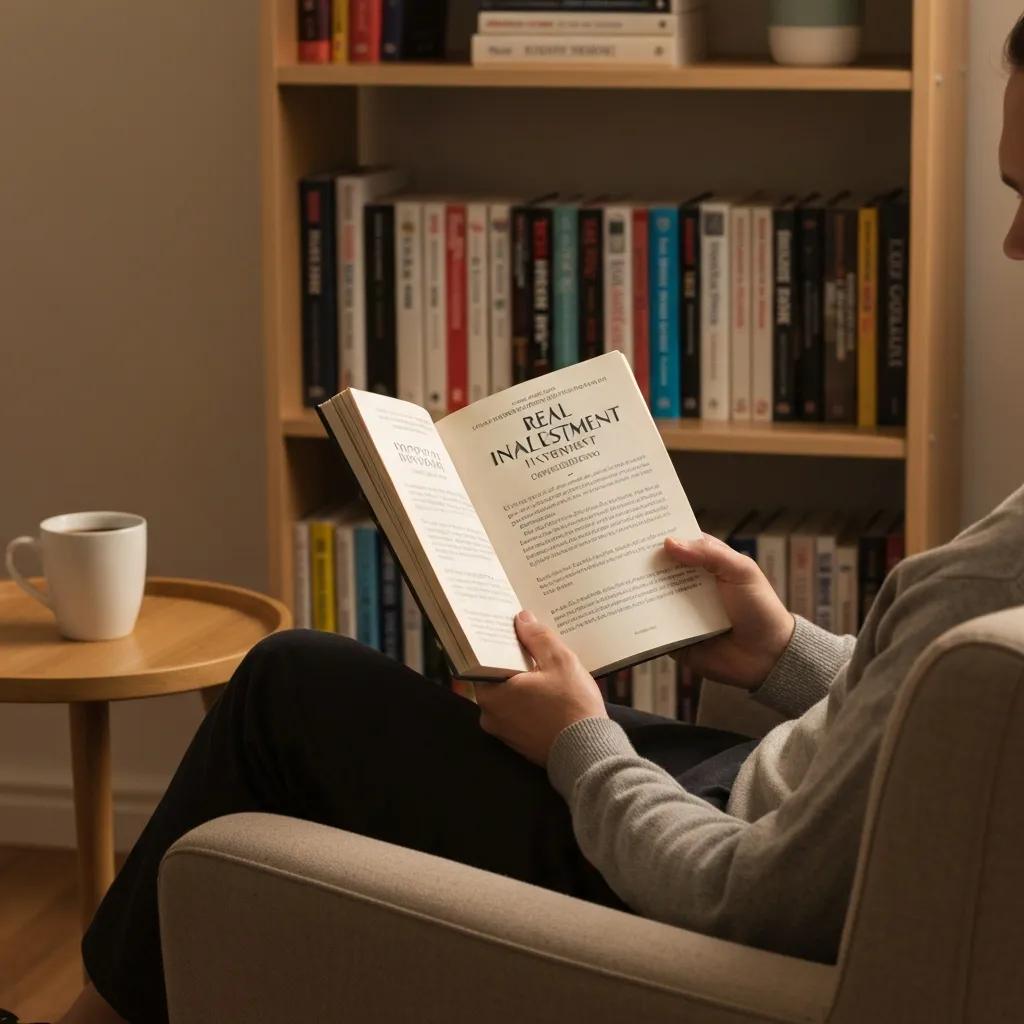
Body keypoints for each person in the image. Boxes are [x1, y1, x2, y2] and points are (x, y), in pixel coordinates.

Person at [19, 12, 1022, 1024]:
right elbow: (945, 741)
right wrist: (782, 654)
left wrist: (580, 743)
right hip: (752, 793)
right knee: (377, 704)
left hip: (697, 866)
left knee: (289, 689)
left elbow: (750, 900)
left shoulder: (988, 577)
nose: (1010, 242)